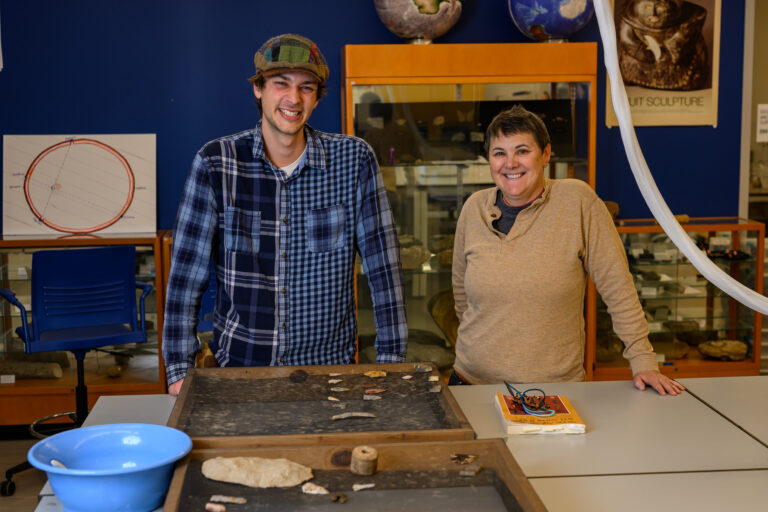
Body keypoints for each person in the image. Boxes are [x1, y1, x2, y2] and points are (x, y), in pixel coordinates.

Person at [163, 34, 407, 396]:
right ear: (259, 89)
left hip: (330, 374)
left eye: (306, 88)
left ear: (318, 96)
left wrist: (392, 362)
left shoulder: (354, 161)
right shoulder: (217, 162)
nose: (294, 99)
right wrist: (180, 368)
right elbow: (186, 275)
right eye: (281, 84)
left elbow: (384, 270)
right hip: (239, 371)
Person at [451, 105, 684, 396]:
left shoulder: (578, 201)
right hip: (470, 384)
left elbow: (617, 286)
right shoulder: (474, 208)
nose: (510, 163)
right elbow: (461, 295)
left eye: (522, 151)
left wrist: (643, 360)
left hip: (551, 391)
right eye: (499, 153)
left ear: (546, 154)